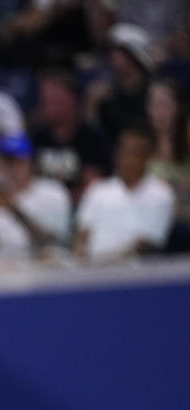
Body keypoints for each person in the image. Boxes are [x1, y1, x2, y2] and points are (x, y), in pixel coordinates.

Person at [75, 126, 175, 261]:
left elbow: (146, 243)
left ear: (147, 156)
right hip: (91, 270)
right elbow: (82, 233)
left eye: (134, 152)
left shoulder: (162, 194)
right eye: (124, 151)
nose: (127, 158)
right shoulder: (98, 190)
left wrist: (112, 263)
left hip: (135, 272)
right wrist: (80, 262)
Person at [0, 134, 72, 259]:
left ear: (30, 162)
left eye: (17, 162)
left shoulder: (52, 192)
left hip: (41, 271)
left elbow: (54, 243)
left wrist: (15, 210)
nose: (11, 168)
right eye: (6, 162)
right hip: (1, 270)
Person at [32, 71, 112, 202]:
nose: (49, 106)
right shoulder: (36, 138)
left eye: (55, 100)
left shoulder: (92, 139)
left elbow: (93, 187)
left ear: (73, 101)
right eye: (45, 100)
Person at [91, 23, 153, 143]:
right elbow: (96, 137)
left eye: (118, 52)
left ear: (134, 55)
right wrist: (92, 105)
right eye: (111, 52)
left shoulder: (153, 91)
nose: (112, 57)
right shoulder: (107, 94)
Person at [146, 80, 190, 223]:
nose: (160, 113)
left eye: (165, 105)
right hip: (151, 222)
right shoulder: (141, 148)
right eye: (155, 105)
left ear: (178, 109)